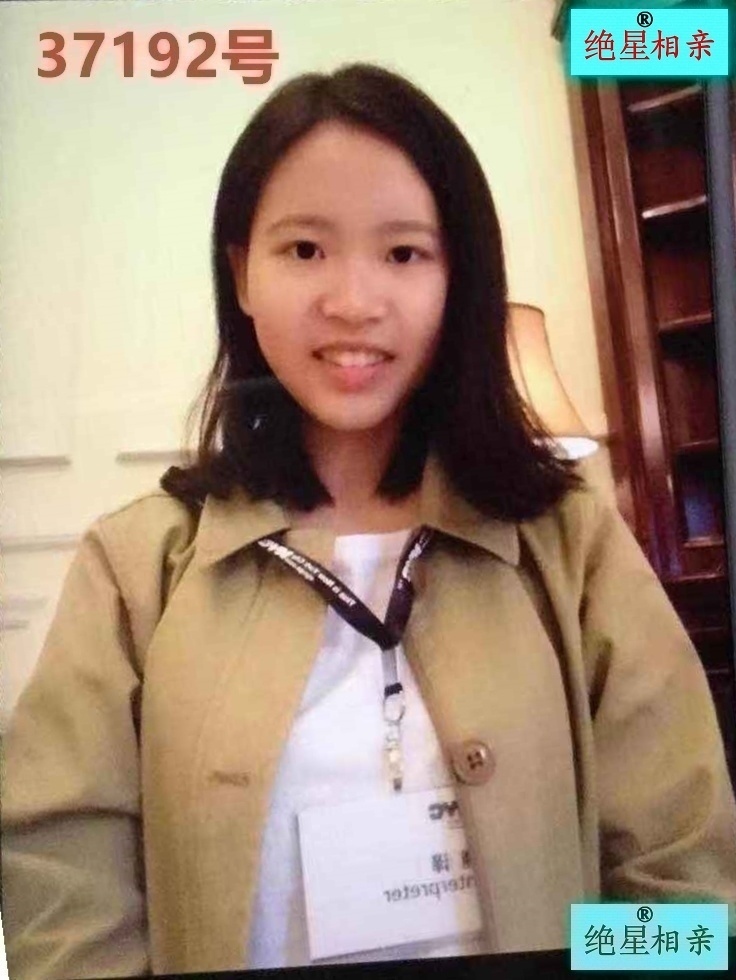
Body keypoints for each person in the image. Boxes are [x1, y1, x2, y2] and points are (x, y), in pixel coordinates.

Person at [2, 62, 736, 979]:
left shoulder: (571, 543)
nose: (353, 302)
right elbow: (67, 893)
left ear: (457, 277)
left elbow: (678, 868)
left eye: (404, 254)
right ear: (241, 273)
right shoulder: (136, 565)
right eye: (305, 249)